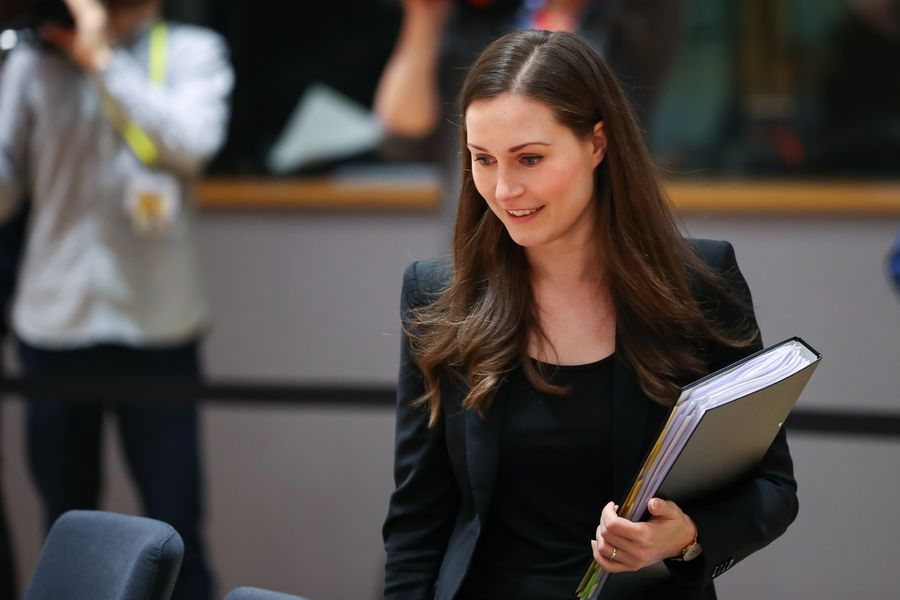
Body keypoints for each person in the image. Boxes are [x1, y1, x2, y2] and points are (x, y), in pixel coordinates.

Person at [382, 30, 798, 600]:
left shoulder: (700, 281)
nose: (504, 189)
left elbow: (772, 489)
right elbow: (416, 521)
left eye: (530, 158)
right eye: (483, 160)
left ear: (597, 144)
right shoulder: (436, 296)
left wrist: (687, 535)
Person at [0, 1, 233, 598]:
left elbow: (192, 144)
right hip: (55, 325)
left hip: (157, 327)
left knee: (178, 527)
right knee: (68, 532)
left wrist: (101, 60)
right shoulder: (34, 62)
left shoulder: (190, 52)